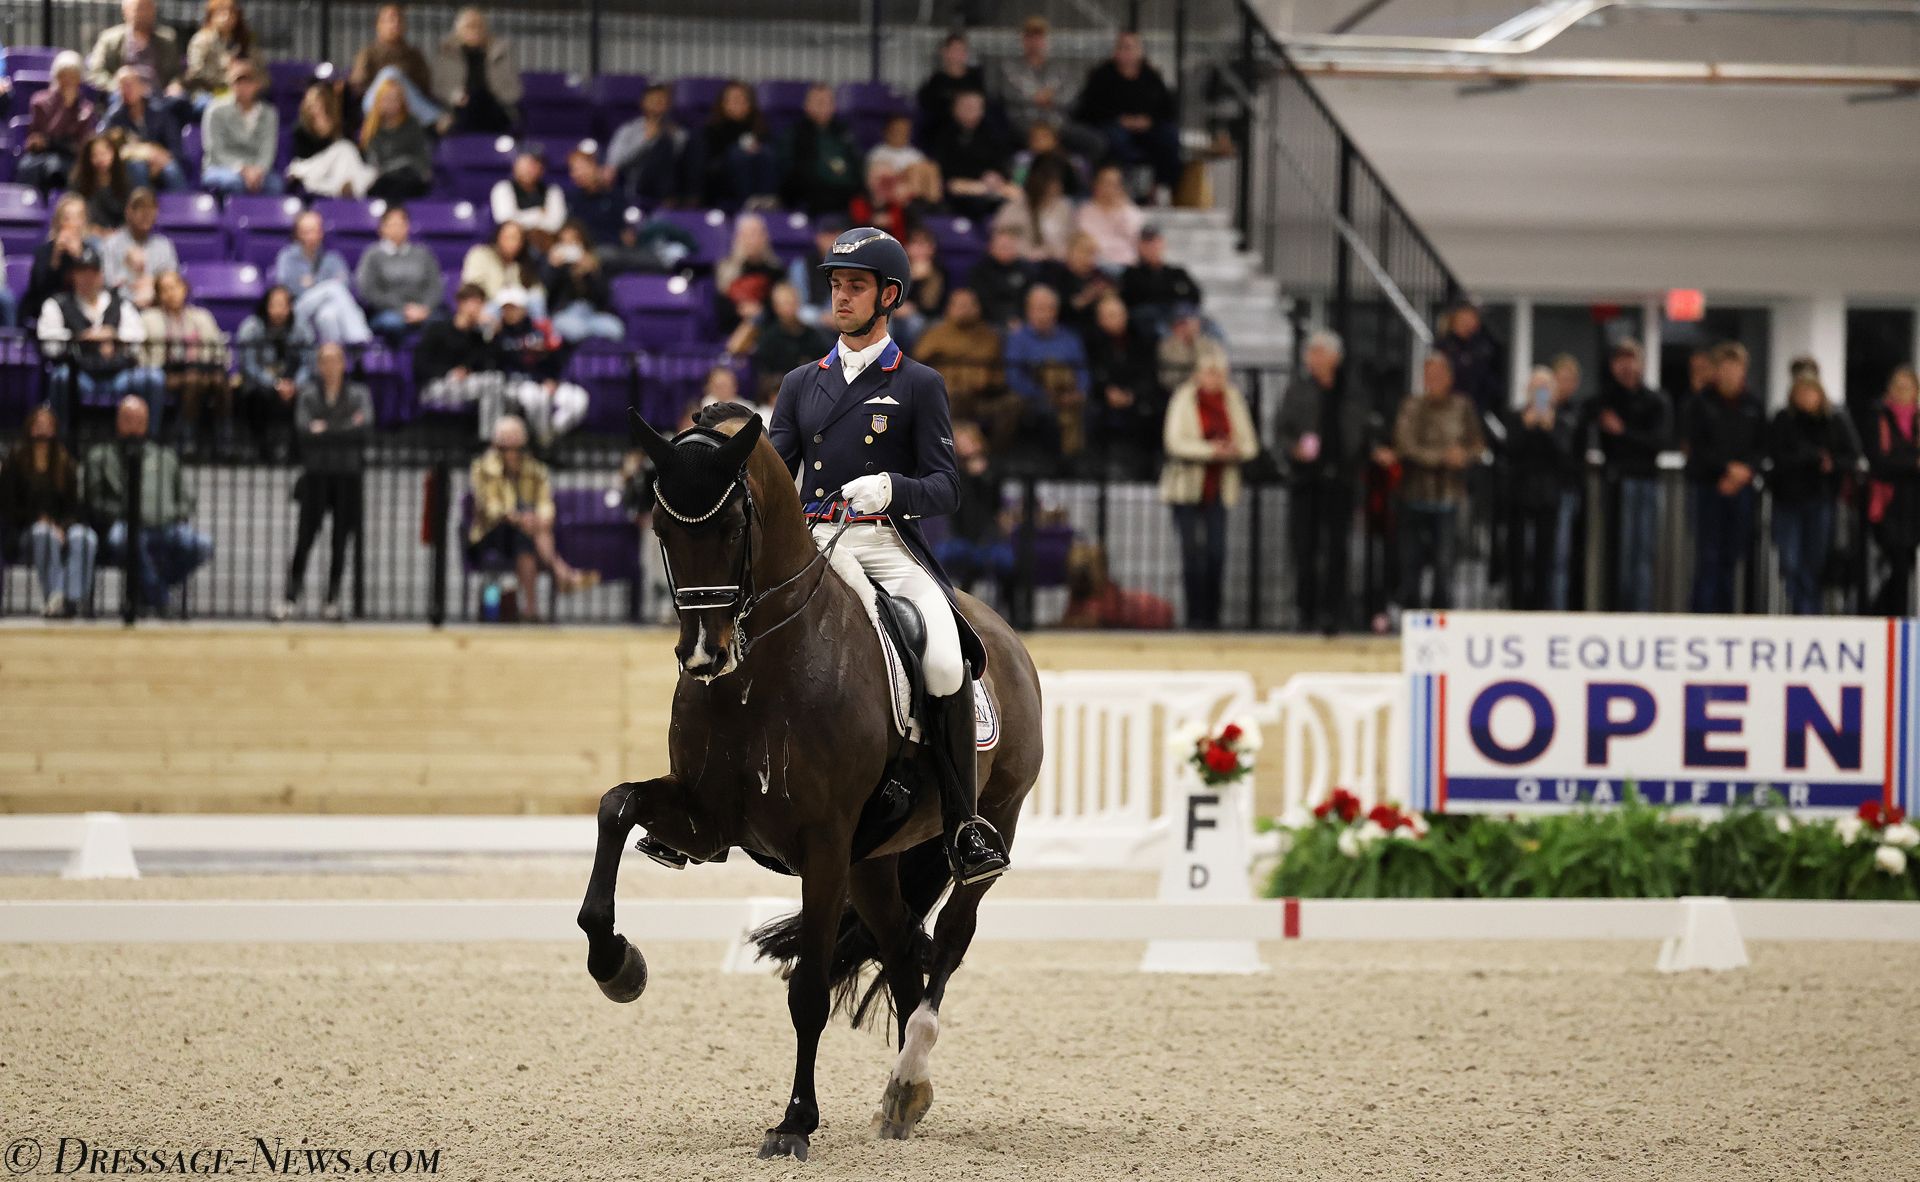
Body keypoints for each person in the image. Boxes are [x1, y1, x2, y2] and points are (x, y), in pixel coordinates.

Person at [763, 225, 1010, 883]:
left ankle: (962, 823)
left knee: (942, 656)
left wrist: (891, 487)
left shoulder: (919, 383)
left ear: (888, 295)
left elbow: (948, 486)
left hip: (884, 541)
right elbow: (771, 467)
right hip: (815, 539)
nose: (841, 297)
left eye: (856, 286)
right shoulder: (800, 383)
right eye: (837, 285)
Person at [1276, 329, 1378, 633]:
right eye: (1310, 353)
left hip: (1342, 480)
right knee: (1304, 549)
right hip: (1306, 481)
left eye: (1319, 353)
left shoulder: (1352, 391)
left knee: (1338, 550)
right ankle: (1305, 611)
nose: (1313, 359)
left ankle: (1334, 612)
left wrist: (1364, 451)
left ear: (1335, 357)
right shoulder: (1297, 391)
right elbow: (1281, 431)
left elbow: (1363, 429)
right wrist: (1293, 449)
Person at [84, 395, 215, 615]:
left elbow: (185, 499)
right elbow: (92, 499)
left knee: (203, 545)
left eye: (138, 419)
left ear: (147, 423)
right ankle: (159, 598)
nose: (133, 425)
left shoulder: (166, 456)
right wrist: (125, 512)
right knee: (120, 539)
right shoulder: (101, 456)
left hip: (166, 527)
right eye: (128, 419)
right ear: (118, 421)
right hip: (125, 525)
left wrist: (172, 513)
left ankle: (151, 589)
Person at [271, 342, 371, 622]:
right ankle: (290, 596)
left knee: (341, 541)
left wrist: (325, 429)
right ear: (318, 365)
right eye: (324, 361)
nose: (329, 366)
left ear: (343, 364)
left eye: (334, 360)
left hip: (347, 477)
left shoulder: (358, 393)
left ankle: (332, 599)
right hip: (316, 476)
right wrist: (345, 428)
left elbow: (365, 427)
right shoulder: (309, 395)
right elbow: (304, 430)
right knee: (305, 538)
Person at [467, 414, 596, 621]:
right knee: (527, 532)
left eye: (516, 448)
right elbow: (489, 506)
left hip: (526, 533)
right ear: (496, 446)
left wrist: (540, 518)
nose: (511, 454)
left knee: (526, 538)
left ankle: (531, 610)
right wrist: (517, 517)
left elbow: (546, 502)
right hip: (490, 533)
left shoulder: (535, 469)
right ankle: (562, 574)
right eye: (504, 449)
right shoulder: (482, 468)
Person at [1161, 358, 1258, 628]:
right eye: (1209, 373)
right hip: (1186, 490)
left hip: (1219, 489)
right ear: (1198, 374)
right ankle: (1195, 617)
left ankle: (1213, 617)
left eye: (1219, 373)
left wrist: (1232, 450)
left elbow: (1250, 444)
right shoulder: (1183, 399)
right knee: (1191, 554)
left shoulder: (1233, 400)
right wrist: (1211, 451)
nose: (1214, 378)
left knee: (1216, 554)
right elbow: (1174, 442)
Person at [1393, 352, 1486, 612]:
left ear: (1449, 378)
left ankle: (1441, 618)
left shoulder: (1462, 406)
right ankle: (1408, 618)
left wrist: (1464, 456)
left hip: (1448, 497)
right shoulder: (1412, 406)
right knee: (1410, 563)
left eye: (1439, 375)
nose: (1433, 380)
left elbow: (1477, 444)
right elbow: (1405, 444)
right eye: (1429, 375)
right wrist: (1442, 457)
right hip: (1414, 495)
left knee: (1445, 564)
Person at [1587, 338, 1669, 611]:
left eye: (1632, 360)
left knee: (1643, 552)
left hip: (1645, 481)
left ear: (1642, 364)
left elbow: (1658, 442)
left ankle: (1641, 611)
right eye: (1621, 361)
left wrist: (1623, 433)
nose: (1627, 367)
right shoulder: (1604, 401)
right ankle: (1615, 609)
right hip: (1615, 482)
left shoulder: (1655, 401)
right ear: (1612, 366)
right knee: (1617, 551)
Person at [1684, 341, 1765, 614]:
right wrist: (1726, 469)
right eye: (1725, 366)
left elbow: (1761, 447)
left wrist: (1744, 471)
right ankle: (1703, 615)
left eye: (1736, 367)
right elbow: (1695, 447)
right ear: (1716, 370)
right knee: (1709, 556)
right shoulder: (1700, 403)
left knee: (1732, 557)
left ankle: (1727, 615)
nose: (1731, 372)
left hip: (1741, 490)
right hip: (1709, 487)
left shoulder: (1753, 405)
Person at [1768, 375, 1855, 616]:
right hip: (1788, 499)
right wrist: (1809, 457)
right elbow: (1776, 455)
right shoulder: (1784, 420)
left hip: (1820, 499)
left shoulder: (1834, 421)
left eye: (1811, 392)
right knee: (1790, 560)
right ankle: (1800, 607)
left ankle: (1809, 612)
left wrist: (1832, 463)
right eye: (1801, 393)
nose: (1807, 398)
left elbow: (1851, 455)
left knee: (1814, 562)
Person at [1, 405, 99, 618]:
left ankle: (70, 600)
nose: (42, 431)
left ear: (54, 430)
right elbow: (8, 507)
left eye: (47, 426)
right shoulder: (15, 461)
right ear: (29, 429)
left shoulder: (65, 462)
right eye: (38, 425)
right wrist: (40, 520)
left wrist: (62, 527)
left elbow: (74, 506)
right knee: (42, 534)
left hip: (61, 527)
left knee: (85, 537)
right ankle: (55, 595)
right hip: (25, 531)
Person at [38, 246, 150, 430]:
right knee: (61, 377)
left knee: (153, 378)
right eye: (82, 272)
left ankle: (150, 442)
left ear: (101, 275)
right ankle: (65, 441)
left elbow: (138, 338)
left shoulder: (120, 304)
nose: (87, 278)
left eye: (93, 272)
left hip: (118, 374)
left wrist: (114, 337)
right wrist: (81, 337)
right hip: (79, 373)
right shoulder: (57, 304)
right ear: (73, 275)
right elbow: (48, 342)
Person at [1504, 365, 1580, 612]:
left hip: (1548, 497)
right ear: (1527, 390)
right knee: (1517, 556)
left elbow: (1566, 459)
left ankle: (1542, 607)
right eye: (1536, 387)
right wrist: (1527, 427)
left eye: (1545, 388)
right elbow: (1508, 452)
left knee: (1547, 558)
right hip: (1518, 496)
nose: (1540, 393)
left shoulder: (1562, 422)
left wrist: (1548, 430)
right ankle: (1517, 606)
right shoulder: (1516, 418)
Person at [1074, 31, 1180, 200]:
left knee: (1169, 136)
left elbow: (1167, 108)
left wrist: (1149, 120)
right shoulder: (1102, 75)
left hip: (1146, 128)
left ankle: (1161, 187)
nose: (1126, 52)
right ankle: (1127, 187)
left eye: (1130, 48)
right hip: (1113, 126)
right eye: (1122, 47)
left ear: (1140, 51)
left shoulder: (1151, 76)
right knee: (1117, 140)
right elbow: (1090, 108)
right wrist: (1120, 120)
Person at [142, 270, 231, 456]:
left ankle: (224, 440)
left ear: (184, 289)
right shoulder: (149, 318)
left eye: (174, 288)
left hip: (201, 369)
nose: (170, 293)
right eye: (164, 290)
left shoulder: (201, 317)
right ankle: (186, 439)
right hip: (166, 372)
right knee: (192, 380)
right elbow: (142, 355)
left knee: (221, 381)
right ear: (158, 295)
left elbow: (219, 349)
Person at [914, 286, 1015, 447]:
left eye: (969, 305)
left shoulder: (989, 335)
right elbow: (920, 359)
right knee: (951, 399)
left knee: (1013, 403)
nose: (965, 310)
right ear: (949, 308)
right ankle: (953, 454)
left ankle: (994, 454)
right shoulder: (935, 334)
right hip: (950, 395)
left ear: (978, 308)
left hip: (983, 395)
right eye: (960, 305)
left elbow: (995, 367)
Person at [1004, 284, 1091, 464]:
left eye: (1048, 308)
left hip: (1070, 397)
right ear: (1028, 311)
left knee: (1091, 412)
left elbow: (1082, 371)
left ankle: (1077, 465)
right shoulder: (1017, 339)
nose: (1043, 314)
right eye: (1038, 308)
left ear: (1056, 311)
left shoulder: (1070, 338)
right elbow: (1014, 378)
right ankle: (1051, 466)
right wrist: (1044, 396)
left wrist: (1080, 392)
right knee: (1045, 414)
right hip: (1035, 398)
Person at [490, 288, 588, 446]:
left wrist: (552, 379)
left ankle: (549, 436)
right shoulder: (498, 335)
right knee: (534, 397)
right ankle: (542, 445)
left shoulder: (540, 330)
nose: (509, 313)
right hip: (516, 384)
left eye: (513, 308)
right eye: (505, 309)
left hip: (546, 382)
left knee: (578, 399)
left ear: (524, 309)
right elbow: (497, 363)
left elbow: (558, 358)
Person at [1082, 293, 1162, 480]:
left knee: (1154, 411)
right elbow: (1090, 372)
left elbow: (1148, 374)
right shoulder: (1091, 342)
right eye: (1109, 315)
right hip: (1101, 398)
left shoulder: (1140, 340)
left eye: (1118, 314)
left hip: (1134, 398)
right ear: (1099, 319)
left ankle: (1148, 469)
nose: (1115, 320)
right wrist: (1106, 391)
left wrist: (1132, 394)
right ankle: (1096, 471)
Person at [935, 421, 1015, 600]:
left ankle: (1013, 613)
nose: (961, 445)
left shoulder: (992, 471)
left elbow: (996, 507)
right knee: (958, 555)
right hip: (960, 535)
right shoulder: (950, 470)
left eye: (966, 440)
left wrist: (982, 477)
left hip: (987, 537)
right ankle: (954, 604)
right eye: (958, 441)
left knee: (1006, 561)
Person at [233, 285, 314, 461]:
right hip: (261, 383)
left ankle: (296, 449)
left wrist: (295, 384)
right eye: (274, 304)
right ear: (266, 306)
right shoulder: (252, 327)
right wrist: (275, 384)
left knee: (308, 393)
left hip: (292, 383)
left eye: (283, 305)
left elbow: (309, 362)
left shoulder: (300, 327)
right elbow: (248, 365)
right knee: (255, 395)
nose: (279, 310)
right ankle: (262, 447)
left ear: (290, 307)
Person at [1865, 366, 1920, 615]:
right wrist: (1912, 463)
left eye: (1907, 386)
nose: (1901, 391)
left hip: (1914, 503)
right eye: (1897, 385)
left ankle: (1891, 616)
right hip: (1888, 503)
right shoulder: (1879, 418)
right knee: (1894, 564)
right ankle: (1884, 616)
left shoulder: (1918, 421)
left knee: (1906, 563)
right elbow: (1878, 460)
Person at [274, 210, 373, 344]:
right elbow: (285, 289)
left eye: (314, 230)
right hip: (299, 309)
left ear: (321, 232)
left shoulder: (333, 259)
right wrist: (321, 286)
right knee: (333, 287)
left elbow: (345, 287)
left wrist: (313, 284)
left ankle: (337, 358)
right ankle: (360, 337)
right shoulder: (287, 258)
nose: (311, 236)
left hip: (326, 307)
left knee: (327, 316)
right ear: (298, 234)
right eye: (306, 231)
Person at [415, 283, 506, 422]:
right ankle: (490, 438)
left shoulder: (478, 335)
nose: (476, 308)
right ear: (460, 303)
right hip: (436, 385)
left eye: (480, 303)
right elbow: (420, 365)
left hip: (467, 385)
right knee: (491, 384)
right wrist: (449, 372)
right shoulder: (438, 328)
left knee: (496, 380)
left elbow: (489, 364)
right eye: (473, 302)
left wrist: (492, 335)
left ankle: (491, 437)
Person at [354, 205, 444, 340]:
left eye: (401, 224)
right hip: (387, 312)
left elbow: (435, 286)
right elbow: (369, 291)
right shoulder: (372, 255)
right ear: (382, 228)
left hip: (423, 311)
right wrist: (403, 308)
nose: (397, 229)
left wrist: (424, 309)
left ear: (408, 226)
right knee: (393, 323)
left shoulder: (423, 253)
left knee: (443, 322)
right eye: (392, 224)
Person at [349, 3, 443, 128]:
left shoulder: (414, 54)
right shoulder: (368, 54)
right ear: (379, 25)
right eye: (390, 20)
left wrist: (400, 87)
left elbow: (424, 86)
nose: (395, 24)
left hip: (407, 105)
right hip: (375, 106)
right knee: (390, 73)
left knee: (394, 75)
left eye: (399, 20)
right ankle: (433, 118)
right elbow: (357, 86)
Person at [431, 7, 522, 135]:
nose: (475, 30)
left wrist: (493, 95)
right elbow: (438, 87)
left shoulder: (500, 53)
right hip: (459, 109)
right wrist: (455, 96)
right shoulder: (446, 53)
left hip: (494, 108)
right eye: (469, 26)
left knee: (479, 96)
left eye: (479, 25)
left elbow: (514, 91)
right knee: (469, 104)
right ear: (458, 30)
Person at [777, 84, 862, 216]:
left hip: (844, 195)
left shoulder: (844, 132)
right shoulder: (795, 133)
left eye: (827, 102)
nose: (823, 107)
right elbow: (788, 170)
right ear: (807, 105)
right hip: (810, 196)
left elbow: (856, 165)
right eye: (818, 102)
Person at [692, 81, 779, 211]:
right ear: (723, 103)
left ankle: (767, 200)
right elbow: (709, 163)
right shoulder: (711, 130)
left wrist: (755, 150)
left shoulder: (760, 128)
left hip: (757, 176)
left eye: (742, 99)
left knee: (765, 151)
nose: (738, 103)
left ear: (750, 103)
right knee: (737, 153)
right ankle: (749, 202)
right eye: (733, 99)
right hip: (724, 181)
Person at [19, 51, 97, 193]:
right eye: (63, 76)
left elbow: (82, 143)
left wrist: (68, 107)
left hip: (70, 156)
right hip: (42, 154)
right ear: (56, 77)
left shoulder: (86, 109)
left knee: (65, 170)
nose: (67, 81)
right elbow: (36, 137)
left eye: (72, 76)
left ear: (79, 79)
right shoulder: (39, 101)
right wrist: (63, 107)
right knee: (27, 167)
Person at [200, 60, 281, 195]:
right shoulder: (215, 110)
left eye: (248, 81)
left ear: (257, 84)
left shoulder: (269, 114)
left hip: (257, 170)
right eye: (238, 82)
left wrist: (258, 170)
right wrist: (241, 169)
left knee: (275, 185)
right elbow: (215, 150)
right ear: (230, 84)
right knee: (235, 182)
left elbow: (267, 151)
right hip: (219, 167)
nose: (243, 87)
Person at [101, 67, 187, 192]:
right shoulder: (114, 117)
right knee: (138, 166)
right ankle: (142, 207)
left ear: (142, 87)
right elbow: (106, 148)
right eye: (122, 86)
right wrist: (139, 153)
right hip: (129, 165)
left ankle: (183, 207)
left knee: (171, 169)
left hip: (160, 160)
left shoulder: (160, 112)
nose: (126, 89)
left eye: (130, 84)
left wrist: (158, 160)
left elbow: (175, 147)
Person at [932, 90, 1014, 221]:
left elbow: (1002, 162)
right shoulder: (944, 135)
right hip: (958, 191)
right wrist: (976, 180)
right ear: (955, 109)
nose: (972, 111)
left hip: (989, 188)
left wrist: (996, 174)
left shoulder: (992, 133)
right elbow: (944, 169)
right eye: (967, 107)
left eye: (976, 107)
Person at [996, 17, 1080, 140]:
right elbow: (1008, 94)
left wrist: (1051, 98)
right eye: (1030, 37)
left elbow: (1070, 94)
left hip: (1056, 122)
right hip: (1023, 122)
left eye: (1039, 38)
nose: (1035, 42)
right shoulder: (1009, 66)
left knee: (1093, 142)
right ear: (1023, 40)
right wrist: (1038, 98)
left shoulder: (1060, 68)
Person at [287, 81, 374, 198]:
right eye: (310, 103)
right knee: (344, 148)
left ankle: (346, 188)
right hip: (311, 168)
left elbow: (354, 152)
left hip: (335, 170)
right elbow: (304, 157)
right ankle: (348, 189)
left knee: (367, 170)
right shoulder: (300, 129)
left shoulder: (341, 125)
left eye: (317, 101)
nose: (314, 106)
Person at [607, 83, 687, 208]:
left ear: (669, 104)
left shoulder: (676, 132)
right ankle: (668, 200)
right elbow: (615, 163)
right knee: (664, 143)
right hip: (639, 183)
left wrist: (674, 137)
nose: (658, 103)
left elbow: (684, 161)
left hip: (675, 182)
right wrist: (647, 141)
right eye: (653, 100)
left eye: (662, 100)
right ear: (643, 102)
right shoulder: (628, 130)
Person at [24, 194, 101, 323]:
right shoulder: (44, 251)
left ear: (84, 222)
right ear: (58, 222)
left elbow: (95, 288)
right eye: (67, 218)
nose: (72, 223)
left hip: (81, 312)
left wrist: (79, 256)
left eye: (77, 217)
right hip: (46, 310)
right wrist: (56, 257)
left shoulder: (90, 252)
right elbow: (38, 289)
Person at [543, 220, 623, 344]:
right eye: (565, 242)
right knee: (575, 330)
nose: (570, 247)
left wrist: (591, 274)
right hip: (564, 314)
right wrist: (553, 268)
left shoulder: (593, 264)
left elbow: (605, 298)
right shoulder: (553, 264)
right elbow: (546, 294)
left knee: (614, 328)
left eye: (574, 242)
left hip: (591, 314)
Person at [100, 187, 178, 309]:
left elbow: (172, 282)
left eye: (151, 208)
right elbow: (108, 283)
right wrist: (128, 271)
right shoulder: (112, 244)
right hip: (121, 308)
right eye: (140, 208)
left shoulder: (164, 245)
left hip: (157, 308)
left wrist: (153, 283)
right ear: (128, 212)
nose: (146, 214)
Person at [749, 282, 829, 401]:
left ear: (798, 303)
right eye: (784, 304)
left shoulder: (814, 336)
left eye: (791, 303)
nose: (788, 308)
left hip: (811, 394)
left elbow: (824, 370)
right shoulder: (768, 338)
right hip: (778, 396)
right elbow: (763, 376)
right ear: (775, 307)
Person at [359, 76, 434, 202]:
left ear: (402, 102)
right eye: (386, 99)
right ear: (379, 101)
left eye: (395, 99)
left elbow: (421, 159)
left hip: (409, 178)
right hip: (382, 181)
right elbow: (372, 161)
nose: (391, 103)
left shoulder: (413, 124)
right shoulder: (372, 127)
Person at [86, 0, 184, 94]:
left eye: (148, 8)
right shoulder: (109, 39)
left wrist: (175, 85)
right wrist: (116, 87)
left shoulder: (167, 39)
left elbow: (176, 72)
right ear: (125, 11)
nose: (144, 13)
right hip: (122, 96)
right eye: (139, 9)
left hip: (158, 95)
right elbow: (96, 72)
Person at [712, 213, 785, 337]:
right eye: (748, 234)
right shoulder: (725, 270)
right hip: (732, 331)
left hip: (769, 332)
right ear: (738, 237)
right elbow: (719, 307)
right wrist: (740, 309)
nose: (753, 240)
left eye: (758, 234)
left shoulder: (777, 270)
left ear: (765, 237)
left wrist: (762, 310)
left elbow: (783, 306)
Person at [1119, 225, 1202, 333]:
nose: (1152, 247)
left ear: (1162, 244)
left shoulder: (1177, 272)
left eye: (1155, 242)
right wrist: (1174, 292)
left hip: (1178, 315)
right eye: (1147, 244)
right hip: (1150, 319)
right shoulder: (1131, 273)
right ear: (1139, 247)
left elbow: (1195, 296)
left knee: (1205, 323)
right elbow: (1134, 299)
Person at [991, 156, 1073, 261]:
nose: (1053, 189)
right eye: (1048, 185)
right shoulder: (1016, 207)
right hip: (1022, 261)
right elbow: (1001, 238)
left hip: (1057, 263)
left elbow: (1071, 240)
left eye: (1056, 184)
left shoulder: (1064, 207)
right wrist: (1029, 254)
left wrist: (1054, 253)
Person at [1039, 231, 1117, 337]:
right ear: (1071, 252)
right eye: (1085, 252)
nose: (1089, 258)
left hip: (1097, 330)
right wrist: (1084, 299)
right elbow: (1057, 309)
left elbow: (1113, 292)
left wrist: (1108, 294)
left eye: (1093, 253)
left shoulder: (1098, 275)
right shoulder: (1056, 274)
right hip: (1065, 330)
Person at [1435, 301, 1506, 416]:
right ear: (1454, 320)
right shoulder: (1443, 346)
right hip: (1449, 408)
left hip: (1480, 408)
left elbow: (1494, 378)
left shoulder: (1487, 346)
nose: (1467, 323)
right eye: (1463, 318)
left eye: (1471, 318)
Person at [461, 220, 546, 316]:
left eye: (516, 238)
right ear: (498, 237)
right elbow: (471, 288)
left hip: (518, 309)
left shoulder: (524, 262)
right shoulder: (480, 254)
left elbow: (537, 290)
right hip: (489, 306)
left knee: (535, 298)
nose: (511, 242)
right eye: (507, 237)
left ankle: (539, 329)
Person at [916, 33, 988, 143]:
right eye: (954, 50)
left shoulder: (976, 80)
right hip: (942, 135)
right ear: (944, 52)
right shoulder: (935, 82)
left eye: (961, 51)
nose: (957, 55)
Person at [489, 151, 567, 248]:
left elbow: (555, 224)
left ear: (542, 168)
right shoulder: (502, 188)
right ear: (516, 166)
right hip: (510, 247)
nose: (529, 169)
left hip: (545, 245)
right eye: (525, 164)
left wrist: (521, 217)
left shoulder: (553, 190)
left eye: (534, 164)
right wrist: (538, 214)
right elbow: (506, 220)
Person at [183, 0, 255, 106]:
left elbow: (260, 72)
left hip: (241, 93)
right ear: (211, 15)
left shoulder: (244, 41)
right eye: (221, 12)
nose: (227, 17)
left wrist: (246, 72)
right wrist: (227, 74)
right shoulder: (201, 40)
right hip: (208, 93)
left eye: (231, 12)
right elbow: (195, 72)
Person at [1076, 163, 1145, 269]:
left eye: (1113, 184)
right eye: (1104, 183)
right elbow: (1086, 240)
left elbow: (1134, 239)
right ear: (1096, 185)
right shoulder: (1086, 210)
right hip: (1094, 264)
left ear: (1120, 187)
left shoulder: (1131, 211)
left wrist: (1120, 208)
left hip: (1125, 264)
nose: (1108, 188)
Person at [965, 225, 1034, 328]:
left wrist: (1020, 318)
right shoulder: (979, 271)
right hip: (989, 321)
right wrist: (1006, 319)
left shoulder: (1026, 270)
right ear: (991, 248)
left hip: (1022, 320)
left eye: (1010, 247)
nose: (1006, 250)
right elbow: (982, 301)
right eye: (1002, 247)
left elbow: (1028, 298)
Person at [1157, 305, 1227, 392]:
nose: (1186, 327)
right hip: (1174, 388)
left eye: (1191, 323)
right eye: (1182, 323)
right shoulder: (1167, 345)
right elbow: (1172, 371)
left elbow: (1216, 362)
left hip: (1206, 387)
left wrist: (1195, 341)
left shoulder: (1208, 343)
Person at [69, 136, 131, 233]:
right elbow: (74, 212)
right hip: (87, 232)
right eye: (95, 155)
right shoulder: (78, 182)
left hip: (119, 234)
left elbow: (129, 214)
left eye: (104, 153)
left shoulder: (124, 180)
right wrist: (94, 230)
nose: (100, 159)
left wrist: (116, 232)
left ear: (113, 153)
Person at [865, 114, 925, 178]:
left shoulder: (917, 155)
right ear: (886, 131)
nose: (900, 134)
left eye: (904, 130)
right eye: (897, 130)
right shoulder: (876, 154)